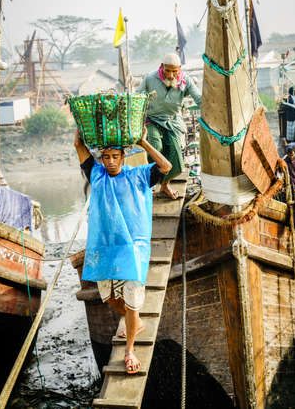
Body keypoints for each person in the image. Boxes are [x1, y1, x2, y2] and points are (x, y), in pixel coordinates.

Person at [74, 127, 171, 374]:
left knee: (131, 300)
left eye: (115, 156)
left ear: (123, 157)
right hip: (106, 246)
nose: (110, 162)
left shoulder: (138, 175)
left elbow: (166, 167)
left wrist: (144, 143)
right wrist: (81, 125)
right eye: (106, 157)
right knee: (109, 297)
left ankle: (129, 350)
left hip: (133, 247)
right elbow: (78, 145)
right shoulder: (96, 174)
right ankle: (134, 322)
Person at [137, 52, 201, 199]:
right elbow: (137, 97)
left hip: (173, 121)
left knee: (176, 156)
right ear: (162, 67)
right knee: (155, 148)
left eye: (175, 71)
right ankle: (152, 183)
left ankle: (165, 184)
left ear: (179, 69)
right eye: (168, 71)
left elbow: (198, 98)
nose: (171, 75)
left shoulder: (186, 80)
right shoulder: (149, 78)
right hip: (151, 120)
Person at [284, 146, 295, 228]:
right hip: (290, 185)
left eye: (292, 155)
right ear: (287, 154)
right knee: (292, 203)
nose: (291, 156)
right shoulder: (285, 162)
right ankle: (294, 223)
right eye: (290, 155)